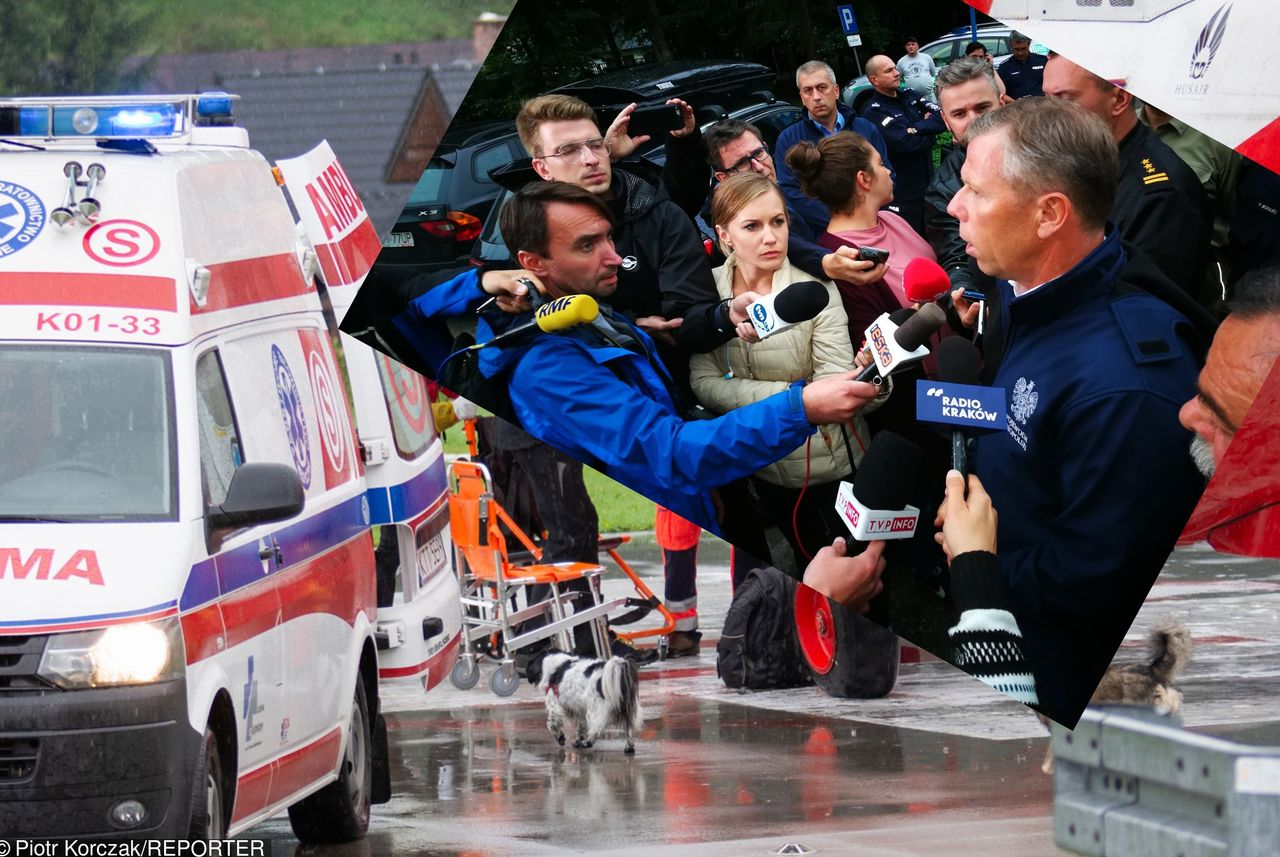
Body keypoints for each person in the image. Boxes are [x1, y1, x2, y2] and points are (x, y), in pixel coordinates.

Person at [389, 180, 879, 536]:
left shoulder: (586, 302)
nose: (612, 256)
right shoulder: (546, 370)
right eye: (587, 245)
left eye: (608, 236)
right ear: (533, 264)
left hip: (704, 496)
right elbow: (669, 453)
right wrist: (801, 406)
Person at [946, 97, 1205, 725]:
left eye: (977, 192)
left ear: (1049, 214)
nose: (955, 208)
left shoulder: (1128, 385)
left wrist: (978, 560)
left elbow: (1100, 581)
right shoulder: (1026, 294)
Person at [688, 172, 861, 568]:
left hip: (827, 463)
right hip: (761, 467)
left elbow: (834, 385)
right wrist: (797, 395)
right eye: (752, 225)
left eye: (778, 222)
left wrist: (749, 395)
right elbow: (701, 382)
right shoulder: (707, 290)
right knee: (803, 563)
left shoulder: (817, 287)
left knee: (851, 567)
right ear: (724, 233)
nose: (770, 237)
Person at [1043, 53, 1214, 304]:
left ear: (1119, 99)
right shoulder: (1078, 161)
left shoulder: (1161, 198)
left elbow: (1140, 310)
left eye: (1065, 99)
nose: (1049, 114)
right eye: (1046, 98)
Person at [703, 118, 888, 289]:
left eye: (759, 153)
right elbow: (788, 243)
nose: (759, 166)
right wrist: (824, 261)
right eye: (743, 163)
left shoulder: (787, 190)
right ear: (723, 177)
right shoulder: (730, 216)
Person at [786, 132, 936, 337]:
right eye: (881, 164)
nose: (889, 171)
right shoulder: (844, 260)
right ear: (864, 179)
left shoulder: (891, 219)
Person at [773, 60, 895, 237]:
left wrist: (868, 216)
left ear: (836, 91)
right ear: (802, 98)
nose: (816, 96)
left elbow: (888, 174)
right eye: (808, 91)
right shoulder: (788, 140)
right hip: (827, 236)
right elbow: (793, 193)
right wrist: (844, 220)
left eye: (822, 87)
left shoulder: (865, 129)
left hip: (875, 226)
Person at [924, 58, 1005, 303]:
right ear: (946, 122)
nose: (974, 120)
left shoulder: (1048, 152)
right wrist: (964, 298)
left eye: (982, 108)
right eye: (960, 114)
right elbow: (956, 257)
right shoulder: (942, 191)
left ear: (1001, 104)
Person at [859, 54, 947, 237]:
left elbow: (942, 117)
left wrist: (915, 128)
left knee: (938, 239)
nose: (897, 73)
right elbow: (907, 144)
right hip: (904, 194)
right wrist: (930, 136)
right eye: (889, 70)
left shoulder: (910, 95)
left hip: (930, 186)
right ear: (874, 79)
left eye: (895, 68)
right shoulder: (873, 112)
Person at [996, 32, 1047, 99]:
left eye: (1023, 48)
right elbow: (1001, 93)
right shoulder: (1004, 67)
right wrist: (1016, 103)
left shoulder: (1042, 61)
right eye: (1016, 49)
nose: (1020, 53)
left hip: (1042, 105)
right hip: (1017, 107)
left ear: (1029, 45)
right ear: (1011, 46)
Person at [897, 37, 938, 104]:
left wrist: (931, 85)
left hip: (928, 95)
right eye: (908, 45)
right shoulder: (901, 62)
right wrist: (905, 90)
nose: (911, 47)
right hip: (912, 97)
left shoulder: (927, 58)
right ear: (905, 47)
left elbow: (933, 74)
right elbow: (900, 79)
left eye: (913, 44)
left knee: (934, 113)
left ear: (917, 46)